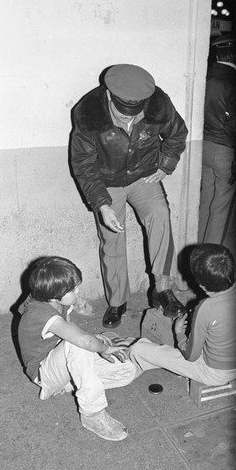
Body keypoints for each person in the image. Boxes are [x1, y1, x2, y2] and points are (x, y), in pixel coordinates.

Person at [70, 63, 188, 328]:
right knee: (111, 238)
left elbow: (177, 134)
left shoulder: (158, 104)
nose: (129, 121)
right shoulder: (88, 113)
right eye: (122, 117)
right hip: (106, 182)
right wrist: (101, 204)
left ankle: (162, 290)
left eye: (135, 116)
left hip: (142, 176)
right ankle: (117, 301)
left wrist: (165, 165)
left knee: (160, 216)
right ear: (110, 96)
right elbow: (83, 163)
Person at [18, 256, 139, 442]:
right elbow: (82, 341)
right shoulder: (39, 314)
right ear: (53, 294)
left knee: (127, 371)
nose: (78, 291)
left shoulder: (58, 301)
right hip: (43, 372)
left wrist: (95, 341)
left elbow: (70, 328)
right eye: (73, 289)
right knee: (81, 344)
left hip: (60, 361)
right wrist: (103, 348)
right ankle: (92, 415)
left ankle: (72, 383)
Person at [128, 244, 236, 386]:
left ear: (200, 284)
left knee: (138, 349)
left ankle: (129, 362)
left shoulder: (205, 308)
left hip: (214, 373)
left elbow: (190, 356)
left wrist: (179, 333)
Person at [198, 34, 236, 244]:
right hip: (225, 149)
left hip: (202, 147)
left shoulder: (204, 76)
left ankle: (197, 250)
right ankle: (210, 258)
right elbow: (234, 125)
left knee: (206, 201)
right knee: (221, 209)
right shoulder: (233, 82)